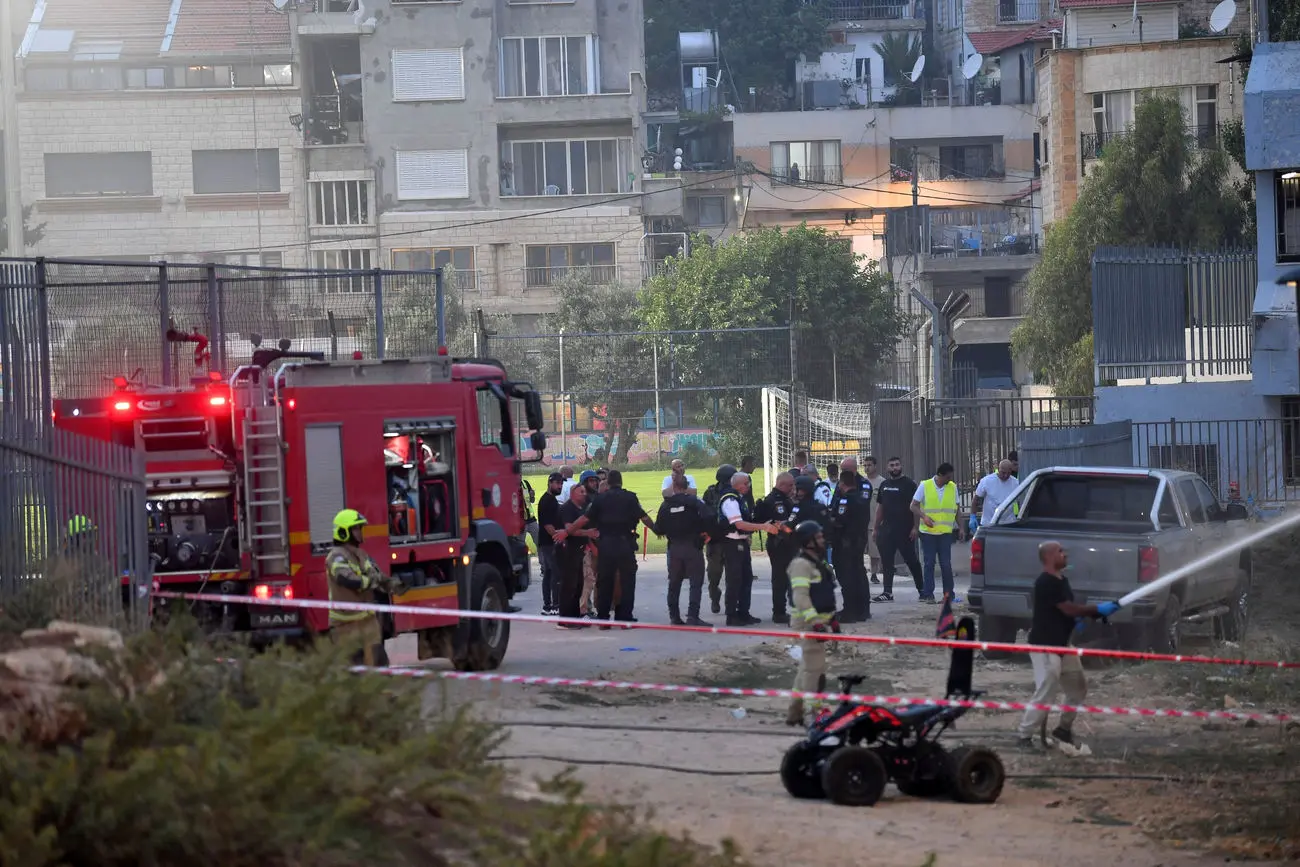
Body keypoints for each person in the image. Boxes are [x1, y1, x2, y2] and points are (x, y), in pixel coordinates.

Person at [1017, 540, 1118, 748]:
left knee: (1078, 688)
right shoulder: (1045, 582)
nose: (1065, 555)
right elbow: (1068, 608)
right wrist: (1095, 610)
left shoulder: (1062, 580)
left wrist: (1079, 619)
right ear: (1049, 557)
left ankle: (1063, 729)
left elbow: (1066, 611)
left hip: (1063, 645)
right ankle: (1024, 736)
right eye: (1060, 551)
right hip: (1045, 646)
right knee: (1046, 690)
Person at [560, 469, 655, 628]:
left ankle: (603, 619)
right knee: (626, 582)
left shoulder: (600, 499)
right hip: (625, 543)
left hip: (606, 545)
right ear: (621, 481)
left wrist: (567, 531)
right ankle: (624, 617)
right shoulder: (630, 497)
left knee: (605, 582)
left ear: (608, 483)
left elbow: (584, 519)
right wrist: (658, 530)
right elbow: (644, 518)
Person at [326, 508, 405, 666]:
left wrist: (391, 584)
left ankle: (385, 692)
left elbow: (377, 575)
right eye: (356, 528)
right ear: (344, 532)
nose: (361, 532)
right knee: (354, 674)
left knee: (381, 667)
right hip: (346, 629)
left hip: (368, 625)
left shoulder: (361, 555)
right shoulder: (336, 557)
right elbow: (346, 579)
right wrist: (370, 582)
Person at [785, 520, 838, 726]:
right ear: (807, 542)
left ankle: (794, 713)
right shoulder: (801, 565)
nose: (822, 540)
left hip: (819, 623)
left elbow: (824, 593)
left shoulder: (817, 562)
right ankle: (814, 713)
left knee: (806, 669)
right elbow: (801, 597)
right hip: (807, 624)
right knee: (815, 671)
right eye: (817, 537)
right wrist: (815, 621)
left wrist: (832, 619)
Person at [718, 471, 779, 626]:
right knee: (734, 580)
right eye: (746, 483)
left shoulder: (740, 499)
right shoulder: (730, 500)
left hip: (742, 543)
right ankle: (731, 615)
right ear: (738, 485)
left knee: (746, 579)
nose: (748, 486)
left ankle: (744, 613)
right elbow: (739, 524)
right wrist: (763, 527)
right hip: (732, 544)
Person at [655, 474, 712, 625]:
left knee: (674, 583)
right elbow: (710, 516)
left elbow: (658, 528)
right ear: (686, 487)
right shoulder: (694, 502)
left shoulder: (665, 505)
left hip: (674, 547)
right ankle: (693, 615)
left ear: (673, 487)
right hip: (692, 546)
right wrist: (706, 533)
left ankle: (674, 616)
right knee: (695, 582)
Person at [872, 457, 924, 603]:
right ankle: (887, 592)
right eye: (892, 465)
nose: (895, 467)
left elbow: (916, 507)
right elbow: (880, 508)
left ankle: (922, 590)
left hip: (905, 530)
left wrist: (915, 527)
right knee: (887, 562)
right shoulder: (884, 485)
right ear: (887, 468)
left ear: (901, 466)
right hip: (887, 530)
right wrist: (876, 528)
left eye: (897, 465)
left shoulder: (909, 484)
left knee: (912, 561)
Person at [910, 462, 964, 604]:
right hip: (928, 532)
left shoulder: (952, 488)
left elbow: (957, 510)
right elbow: (913, 506)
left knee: (946, 564)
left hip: (945, 533)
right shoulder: (925, 485)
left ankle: (948, 595)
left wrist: (962, 527)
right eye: (947, 477)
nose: (950, 480)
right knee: (929, 563)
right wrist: (924, 517)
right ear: (940, 475)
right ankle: (928, 594)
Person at [829, 469, 871, 623]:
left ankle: (850, 611)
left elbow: (839, 521)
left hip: (845, 544)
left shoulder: (845, 500)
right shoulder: (861, 499)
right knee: (859, 575)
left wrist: (829, 520)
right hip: (859, 542)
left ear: (842, 483)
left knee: (847, 577)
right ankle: (862, 609)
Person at [754, 471, 796, 624]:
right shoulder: (774, 500)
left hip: (788, 544)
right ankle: (779, 612)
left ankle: (785, 609)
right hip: (779, 544)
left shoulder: (785, 498)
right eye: (790, 485)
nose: (793, 488)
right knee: (780, 579)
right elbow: (782, 522)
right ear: (781, 484)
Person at [555, 482, 597, 629]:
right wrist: (588, 533)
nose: (584, 494)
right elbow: (569, 530)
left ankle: (575, 616)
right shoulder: (567, 509)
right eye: (581, 492)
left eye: (585, 492)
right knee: (568, 585)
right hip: (567, 550)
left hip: (579, 550)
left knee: (579, 584)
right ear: (573, 494)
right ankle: (564, 619)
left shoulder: (582, 508)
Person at [702, 464, 737, 615]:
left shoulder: (736, 492)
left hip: (731, 539)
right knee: (714, 575)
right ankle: (715, 598)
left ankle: (731, 605)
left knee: (733, 576)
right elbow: (703, 513)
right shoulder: (710, 493)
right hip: (715, 541)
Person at [840, 456, 875, 588]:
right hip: (843, 530)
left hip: (857, 530)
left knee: (857, 565)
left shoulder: (864, 484)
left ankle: (862, 599)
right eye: (842, 469)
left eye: (845, 469)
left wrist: (849, 494)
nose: (842, 472)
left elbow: (862, 503)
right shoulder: (842, 483)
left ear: (854, 469)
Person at [535, 472, 564, 616]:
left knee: (548, 573)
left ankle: (547, 605)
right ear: (550, 483)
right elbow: (547, 525)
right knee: (555, 573)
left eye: (561, 484)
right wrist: (559, 538)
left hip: (547, 543)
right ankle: (554, 605)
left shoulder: (551, 500)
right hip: (549, 543)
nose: (560, 486)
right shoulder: (547, 501)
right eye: (557, 483)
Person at [972, 460, 1019, 531]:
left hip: (1008, 524)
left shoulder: (1015, 483)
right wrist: (972, 516)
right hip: (988, 523)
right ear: (998, 469)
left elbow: (1020, 501)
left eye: (1008, 473)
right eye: (1003, 473)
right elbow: (976, 499)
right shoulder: (987, 481)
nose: (1005, 475)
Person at [864, 456, 887, 583]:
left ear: (875, 466)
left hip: (875, 522)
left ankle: (874, 573)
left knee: (874, 551)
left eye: (869, 465)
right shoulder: (862, 482)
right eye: (865, 465)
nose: (867, 468)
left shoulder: (882, 482)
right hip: (863, 522)